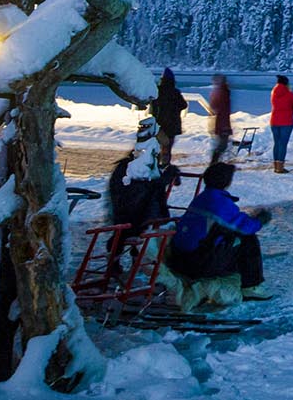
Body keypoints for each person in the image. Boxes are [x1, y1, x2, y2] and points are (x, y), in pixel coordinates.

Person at [165, 161, 272, 301]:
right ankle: (251, 286)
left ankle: (236, 280)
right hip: (197, 264)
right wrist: (260, 219)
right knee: (248, 239)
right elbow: (245, 227)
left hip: (179, 258)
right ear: (226, 182)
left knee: (228, 236)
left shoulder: (202, 198)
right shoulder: (218, 202)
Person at [107, 118, 180, 239]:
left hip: (132, 219)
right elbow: (142, 192)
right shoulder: (133, 168)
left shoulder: (135, 165)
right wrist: (164, 179)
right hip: (136, 221)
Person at [151, 68, 187, 162]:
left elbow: (153, 107)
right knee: (167, 149)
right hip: (172, 125)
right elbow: (184, 105)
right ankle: (166, 166)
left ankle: (156, 166)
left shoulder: (157, 92)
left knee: (157, 147)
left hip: (160, 125)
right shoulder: (175, 92)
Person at [269, 74, 293, 173]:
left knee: (277, 143)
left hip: (274, 121)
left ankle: (275, 165)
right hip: (286, 121)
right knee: (283, 144)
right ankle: (280, 167)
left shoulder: (273, 93)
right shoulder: (290, 94)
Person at [207, 73, 233, 163]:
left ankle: (216, 161)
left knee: (222, 144)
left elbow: (215, 105)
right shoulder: (222, 91)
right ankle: (215, 162)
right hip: (222, 122)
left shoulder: (220, 91)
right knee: (222, 144)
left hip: (222, 121)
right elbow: (218, 106)